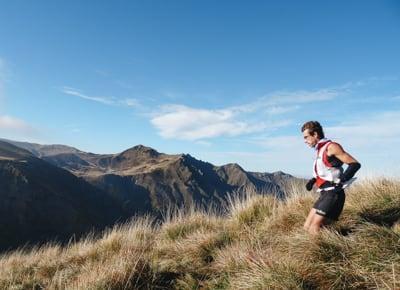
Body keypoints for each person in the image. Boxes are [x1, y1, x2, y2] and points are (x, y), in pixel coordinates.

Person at [301, 121, 361, 235]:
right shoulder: (320, 150)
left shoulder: (332, 147)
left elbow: (354, 164)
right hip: (324, 194)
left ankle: (321, 252)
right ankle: (338, 240)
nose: (305, 141)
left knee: (315, 228)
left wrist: (341, 181)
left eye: (306, 137)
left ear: (315, 134)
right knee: (307, 226)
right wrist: (312, 181)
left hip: (334, 194)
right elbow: (325, 170)